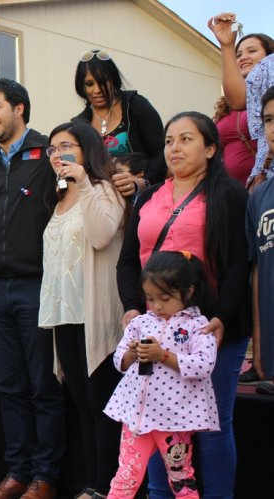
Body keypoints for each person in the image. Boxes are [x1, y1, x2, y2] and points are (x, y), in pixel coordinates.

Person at [116, 111, 250, 499]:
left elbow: (240, 262)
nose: (174, 147)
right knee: (157, 420)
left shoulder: (229, 195)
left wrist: (222, 316)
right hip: (155, 325)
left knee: (212, 426)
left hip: (208, 328)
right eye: (169, 140)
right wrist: (131, 306)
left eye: (186, 139)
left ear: (211, 148)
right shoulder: (148, 195)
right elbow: (128, 260)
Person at [0, 78, 63, 499]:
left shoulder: (49, 153)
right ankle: (17, 475)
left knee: (43, 386)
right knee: (8, 386)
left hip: (38, 285)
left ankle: (46, 478)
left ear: (19, 109)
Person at [39, 121, 127, 499]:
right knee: (82, 404)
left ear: (86, 148)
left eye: (66, 146)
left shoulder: (105, 189)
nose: (58, 155)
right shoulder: (58, 197)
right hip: (65, 315)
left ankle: (107, 486)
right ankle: (94, 484)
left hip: (95, 315)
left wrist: (86, 183)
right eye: (53, 149)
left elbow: (101, 235)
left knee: (101, 403)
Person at [105, 251, 218, 499]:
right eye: (150, 298)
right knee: (126, 476)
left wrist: (163, 355)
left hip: (175, 419)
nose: (156, 306)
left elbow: (204, 365)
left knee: (181, 478)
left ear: (188, 291)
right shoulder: (141, 322)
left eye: (164, 298)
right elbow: (118, 359)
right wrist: (132, 353)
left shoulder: (198, 325)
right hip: (137, 416)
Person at [73, 49, 166, 201]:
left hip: (143, 198)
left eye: (103, 82)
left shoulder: (135, 105)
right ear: (82, 87)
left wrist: (143, 183)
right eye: (89, 84)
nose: (97, 90)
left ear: (114, 80)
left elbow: (161, 152)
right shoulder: (79, 124)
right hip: (100, 201)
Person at [211, 33, 274, 186]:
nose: (243, 57)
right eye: (238, 55)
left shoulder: (269, 73)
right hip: (232, 188)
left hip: (264, 177)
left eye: (252, 51)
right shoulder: (226, 104)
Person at [246, 87, 274, 394]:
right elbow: (256, 271)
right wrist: (261, 354)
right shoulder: (260, 196)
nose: (273, 128)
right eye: (268, 119)